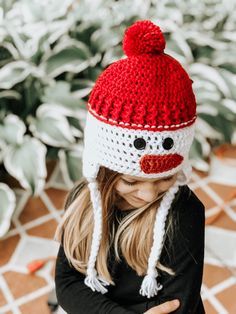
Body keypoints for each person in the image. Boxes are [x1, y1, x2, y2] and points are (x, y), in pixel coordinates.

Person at [54, 20, 205, 314]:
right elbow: (68, 283)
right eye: (131, 182)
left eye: (164, 179)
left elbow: (177, 305)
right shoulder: (83, 202)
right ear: (103, 172)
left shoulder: (184, 213)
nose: (149, 195)